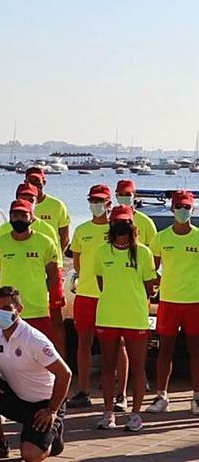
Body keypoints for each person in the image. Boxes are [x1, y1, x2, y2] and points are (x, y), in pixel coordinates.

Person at [0, 286, 71, 462]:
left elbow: (65, 374)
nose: (0, 313)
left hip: (44, 403)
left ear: (19, 310)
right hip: (17, 396)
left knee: (30, 456)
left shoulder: (34, 340)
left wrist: (52, 410)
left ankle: (53, 435)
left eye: (7, 309)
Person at [91, 205, 156, 432]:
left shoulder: (143, 252)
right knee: (108, 367)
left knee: (138, 368)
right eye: (117, 222)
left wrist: (134, 300)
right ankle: (108, 412)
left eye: (125, 223)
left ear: (132, 225)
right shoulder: (102, 251)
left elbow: (149, 286)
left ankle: (136, 414)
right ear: (111, 225)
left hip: (135, 317)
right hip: (108, 316)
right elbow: (102, 283)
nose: (121, 227)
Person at [149, 190, 199, 415]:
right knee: (164, 350)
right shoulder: (161, 237)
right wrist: (156, 284)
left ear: (192, 209)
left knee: (195, 351)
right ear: (172, 209)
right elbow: (152, 269)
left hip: (195, 302)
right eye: (179, 207)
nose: (183, 211)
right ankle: (162, 396)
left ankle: (196, 397)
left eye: (187, 207)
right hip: (169, 302)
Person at [65, 184, 112, 410]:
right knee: (84, 343)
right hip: (85, 295)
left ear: (109, 204)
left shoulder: (117, 228)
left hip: (111, 297)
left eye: (100, 201)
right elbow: (77, 264)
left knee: (115, 345)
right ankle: (83, 391)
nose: (96, 205)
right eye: (92, 201)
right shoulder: (82, 230)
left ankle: (116, 393)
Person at [0, 200, 58, 336]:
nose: (19, 219)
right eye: (15, 215)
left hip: (38, 309)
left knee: (39, 353)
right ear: (10, 217)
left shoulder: (45, 242)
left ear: (31, 216)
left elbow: (53, 277)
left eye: (23, 215)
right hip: (8, 311)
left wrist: (39, 291)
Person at [23, 170, 70, 356]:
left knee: (55, 317)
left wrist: (53, 264)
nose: (35, 185)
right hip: (27, 269)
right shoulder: (19, 205)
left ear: (44, 182)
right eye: (31, 182)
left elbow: (64, 239)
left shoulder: (57, 205)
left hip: (52, 267)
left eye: (39, 182)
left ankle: (60, 359)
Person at [114, 179, 158, 244]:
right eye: (121, 194)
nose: (124, 197)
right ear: (116, 196)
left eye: (128, 194)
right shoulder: (110, 221)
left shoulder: (146, 221)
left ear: (134, 195)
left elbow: (153, 249)